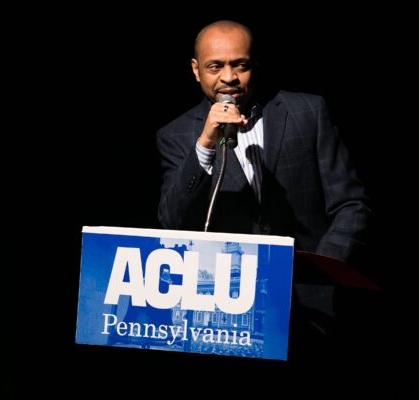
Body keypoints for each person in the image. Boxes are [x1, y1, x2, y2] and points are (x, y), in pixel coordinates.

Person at [156, 20, 372, 361]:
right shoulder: (177, 136)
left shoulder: (308, 112)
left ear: (255, 64)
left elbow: (352, 205)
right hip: (229, 316)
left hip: (313, 308)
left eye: (240, 65)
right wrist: (206, 145)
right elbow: (172, 222)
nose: (229, 77)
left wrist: (321, 271)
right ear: (196, 70)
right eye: (215, 66)